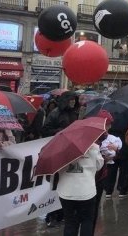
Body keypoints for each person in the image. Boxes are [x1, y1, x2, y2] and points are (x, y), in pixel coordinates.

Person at [41, 91, 79, 228]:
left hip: (69, 151)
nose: (73, 102)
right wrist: (60, 131)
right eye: (71, 100)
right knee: (56, 183)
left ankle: (63, 213)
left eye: (75, 100)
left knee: (66, 182)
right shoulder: (55, 113)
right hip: (57, 150)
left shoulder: (74, 113)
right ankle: (51, 214)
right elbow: (45, 129)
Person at [57, 142, 104, 236]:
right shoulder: (93, 146)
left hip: (66, 191)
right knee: (87, 221)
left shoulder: (59, 147)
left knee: (70, 222)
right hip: (86, 190)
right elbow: (99, 165)